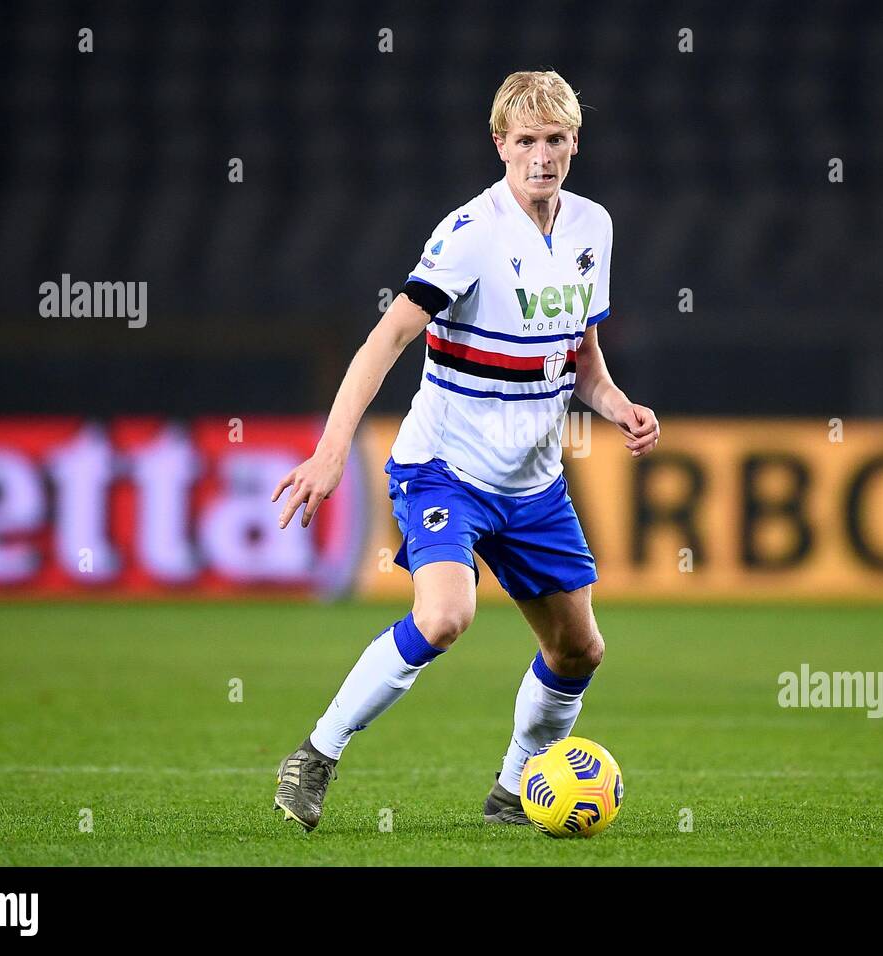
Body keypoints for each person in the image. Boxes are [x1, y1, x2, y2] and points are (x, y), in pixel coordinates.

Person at [270, 70, 660, 830]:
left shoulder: (592, 228)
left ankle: (513, 792)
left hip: (533, 483)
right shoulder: (469, 235)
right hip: (443, 467)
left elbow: (580, 353)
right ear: (500, 145)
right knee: (446, 615)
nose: (541, 157)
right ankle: (317, 752)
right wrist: (329, 451)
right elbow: (388, 338)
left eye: (554, 141)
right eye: (525, 142)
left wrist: (617, 406)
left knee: (580, 650)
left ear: (574, 143)